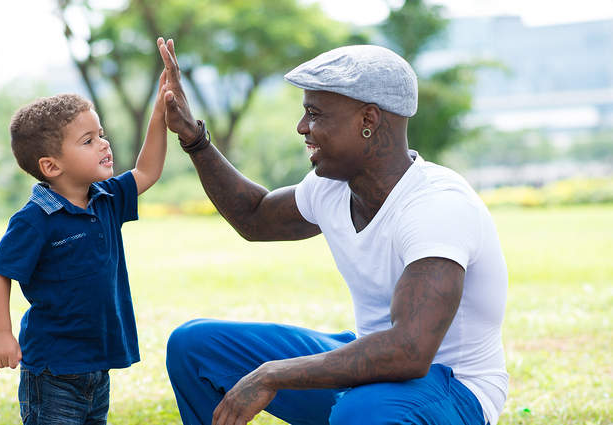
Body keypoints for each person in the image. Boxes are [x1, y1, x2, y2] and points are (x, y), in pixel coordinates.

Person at [157, 37, 508, 425]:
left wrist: (273, 374)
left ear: (368, 121)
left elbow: (409, 350)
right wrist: (193, 137)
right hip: (371, 368)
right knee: (195, 346)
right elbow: (254, 217)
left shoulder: (435, 205)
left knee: (360, 413)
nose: (301, 127)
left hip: (453, 390)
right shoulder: (332, 186)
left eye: (315, 113)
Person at [0, 70, 168, 424]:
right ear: (51, 166)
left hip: (98, 362)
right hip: (53, 370)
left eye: (101, 134)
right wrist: (1, 334)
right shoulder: (35, 219)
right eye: (88, 140)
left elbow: (147, 171)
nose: (104, 143)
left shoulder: (107, 198)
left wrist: (159, 113)